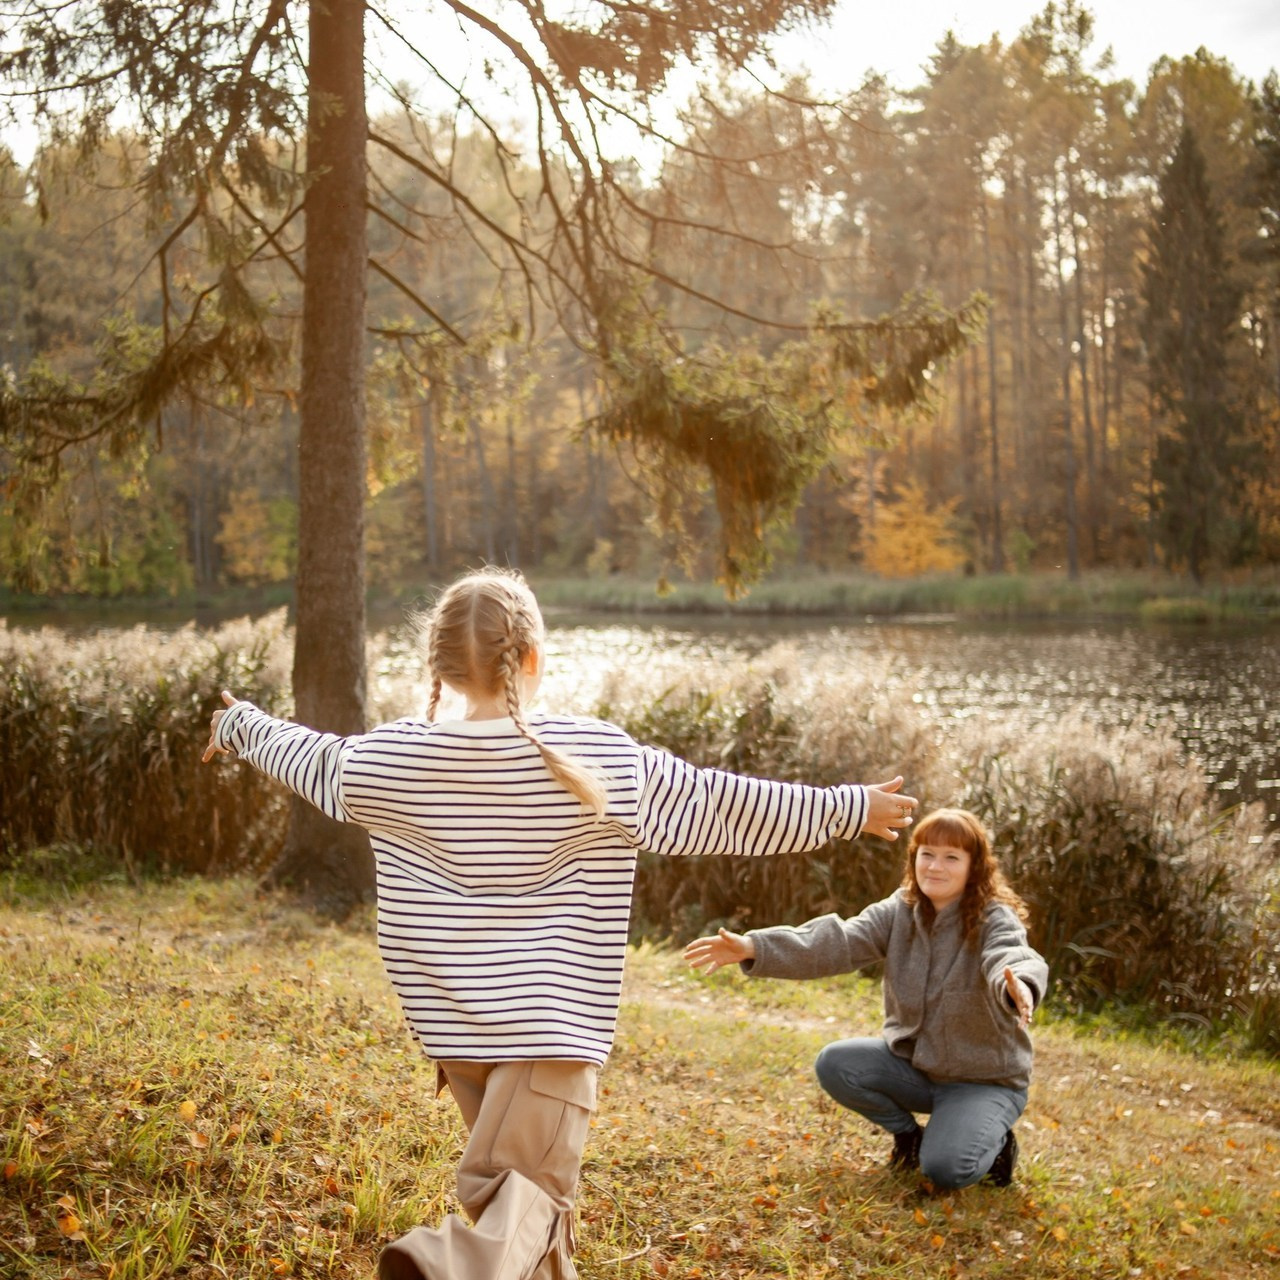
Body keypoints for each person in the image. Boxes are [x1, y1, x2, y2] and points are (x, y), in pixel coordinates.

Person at [201, 566, 920, 1280]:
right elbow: (721, 805)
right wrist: (847, 809)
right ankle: (447, 1265)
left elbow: (307, 757)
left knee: (532, 1221)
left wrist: (239, 723)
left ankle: (475, 1260)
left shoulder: (392, 758)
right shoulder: (593, 756)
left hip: (460, 1039)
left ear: (442, 666)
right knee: (532, 1201)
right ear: (533, 658)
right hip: (548, 1033)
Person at [684, 807, 1047, 1192]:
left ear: (974, 867)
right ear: (914, 858)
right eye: (927, 854)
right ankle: (910, 1137)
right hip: (919, 1068)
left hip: (982, 1080)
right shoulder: (900, 910)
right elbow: (836, 942)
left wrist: (1019, 984)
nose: (935, 867)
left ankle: (997, 1144)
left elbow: (1010, 955)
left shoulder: (995, 918)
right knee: (837, 1063)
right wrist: (753, 946)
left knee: (945, 1169)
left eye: (951, 857)